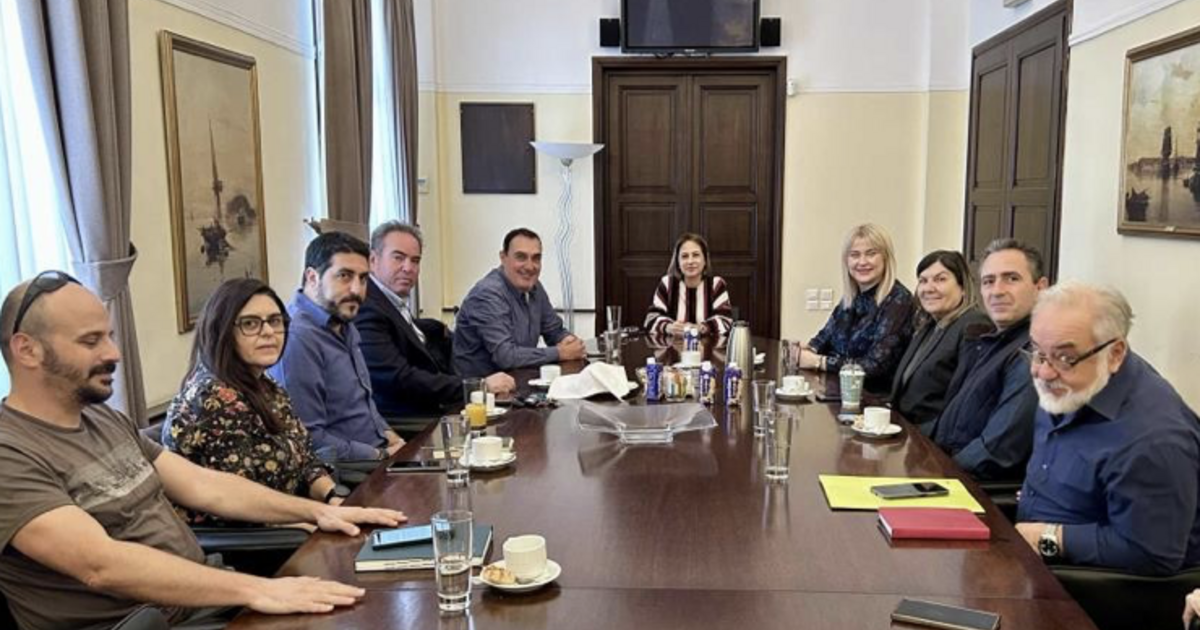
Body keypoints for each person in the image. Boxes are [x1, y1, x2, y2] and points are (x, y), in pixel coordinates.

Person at [0, 272, 406, 630]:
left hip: (202, 601)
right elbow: (99, 565)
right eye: (91, 341)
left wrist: (319, 511)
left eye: (109, 336)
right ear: (27, 349)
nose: (113, 353)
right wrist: (259, 589)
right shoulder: (10, 452)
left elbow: (205, 486)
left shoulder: (102, 419)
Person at [1015, 281, 1200, 576]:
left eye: (1065, 358)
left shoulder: (1153, 439)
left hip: (1083, 585)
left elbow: (1152, 554)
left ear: (1115, 354)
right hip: (1023, 546)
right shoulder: (1072, 385)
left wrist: (1048, 537)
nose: (1044, 372)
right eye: (1037, 352)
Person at [163, 278, 351, 527]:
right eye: (250, 324)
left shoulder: (267, 386)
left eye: (275, 321)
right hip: (250, 539)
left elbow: (306, 461)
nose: (268, 332)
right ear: (223, 331)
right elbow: (239, 507)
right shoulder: (213, 399)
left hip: (294, 520)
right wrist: (312, 522)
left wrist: (333, 497)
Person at [357, 222, 514, 423]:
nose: (408, 268)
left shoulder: (392, 302)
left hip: (437, 406)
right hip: (410, 422)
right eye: (398, 258)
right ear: (373, 260)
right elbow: (399, 378)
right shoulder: (367, 307)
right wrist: (477, 386)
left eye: (415, 260)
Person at [268, 232, 404, 461]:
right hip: (348, 471)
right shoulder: (298, 338)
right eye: (344, 276)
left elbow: (363, 407)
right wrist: (380, 455)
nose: (356, 290)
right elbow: (309, 438)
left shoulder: (343, 322)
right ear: (312, 277)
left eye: (363, 279)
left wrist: (394, 440)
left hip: (379, 456)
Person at [931, 239, 1048, 480]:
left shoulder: (1033, 353)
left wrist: (937, 473)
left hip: (977, 486)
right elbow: (951, 422)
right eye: (988, 281)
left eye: (1011, 278)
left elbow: (995, 452)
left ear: (1041, 287)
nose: (997, 291)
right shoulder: (990, 342)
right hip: (948, 467)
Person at [453, 228, 586, 377]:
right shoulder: (487, 294)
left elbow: (554, 330)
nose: (530, 267)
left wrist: (568, 341)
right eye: (521, 257)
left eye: (536, 258)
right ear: (503, 258)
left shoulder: (535, 287)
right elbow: (505, 356)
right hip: (483, 388)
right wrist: (560, 352)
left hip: (519, 379)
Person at [798, 223, 914, 391]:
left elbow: (874, 366)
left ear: (886, 258)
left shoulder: (899, 300)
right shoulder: (851, 298)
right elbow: (823, 339)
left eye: (871, 254)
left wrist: (819, 362)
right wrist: (805, 349)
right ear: (846, 261)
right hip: (838, 389)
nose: (862, 262)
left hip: (872, 398)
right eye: (855, 255)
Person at [890, 250, 992, 429]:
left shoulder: (974, 325)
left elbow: (966, 403)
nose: (928, 288)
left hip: (933, 439)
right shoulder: (929, 325)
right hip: (906, 430)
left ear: (963, 287)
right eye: (923, 281)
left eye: (940, 279)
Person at [643, 232, 734, 337]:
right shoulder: (667, 284)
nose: (690, 261)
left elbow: (726, 321)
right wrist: (668, 327)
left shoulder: (716, 285)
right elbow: (651, 319)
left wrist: (702, 328)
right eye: (684, 256)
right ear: (678, 262)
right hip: (673, 346)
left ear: (705, 260)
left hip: (708, 346)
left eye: (696, 255)